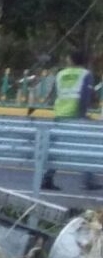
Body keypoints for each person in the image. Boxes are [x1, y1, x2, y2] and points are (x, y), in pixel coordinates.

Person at [44, 50, 96, 190]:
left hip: (60, 114)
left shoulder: (61, 74)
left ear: (70, 60)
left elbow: (53, 95)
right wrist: (83, 114)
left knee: (57, 149)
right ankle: (88, 181)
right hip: (76, 114)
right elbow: (85, 96)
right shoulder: (85, 74)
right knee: (87, 148)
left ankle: (46, 178)